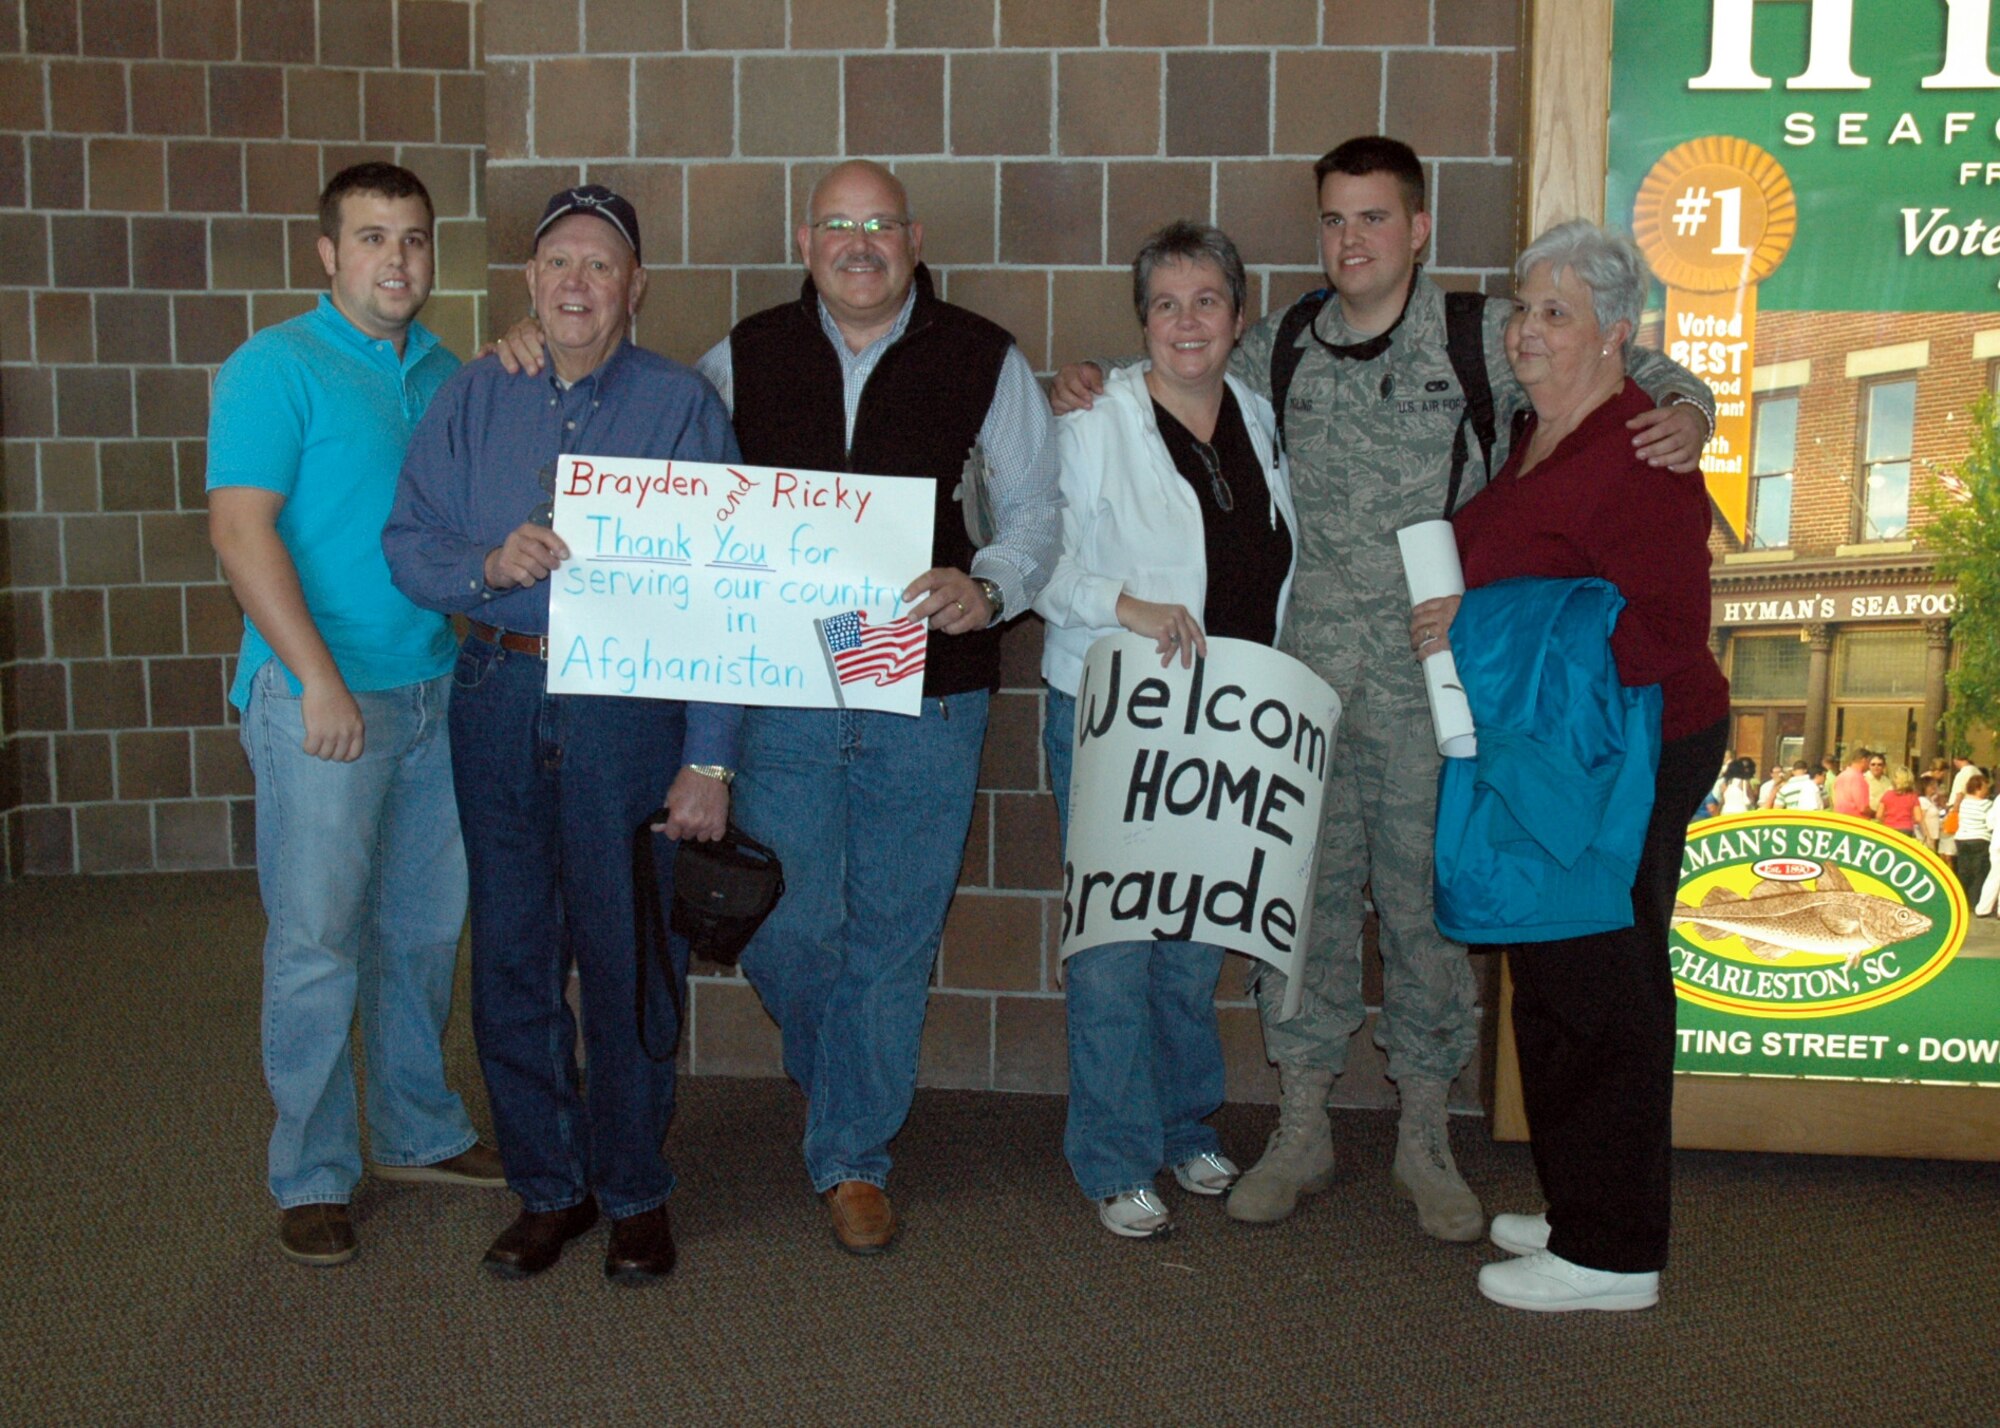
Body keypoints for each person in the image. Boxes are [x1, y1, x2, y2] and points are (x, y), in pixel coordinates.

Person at [1054, 135, 1716, 1240]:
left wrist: (1689, 411)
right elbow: (1171, 364)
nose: (1349, 240)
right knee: (1301, 915)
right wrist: (1082, 381)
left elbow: (1616, 362)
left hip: (1431, 687)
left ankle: (1424, 1139)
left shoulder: (1478, 340)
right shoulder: (1277, 346)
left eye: (1372, 218)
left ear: (1415, 228)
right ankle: (1301, 1125)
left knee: (1423, 914)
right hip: (1298, 695)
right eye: (1331, 220)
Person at [384, 184, 740, 1286]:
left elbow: (729, 592)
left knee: (628, 951)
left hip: (628, 711)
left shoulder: (681, 406)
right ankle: (549, 1186)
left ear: (633, 287)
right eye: (556, 265)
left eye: (599, 264)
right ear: (529, 285)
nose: (576, 283)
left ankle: (634, 1189)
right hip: (498, 692)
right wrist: (484, 568)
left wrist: (710, 752)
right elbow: (408, 542)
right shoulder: (470, 400)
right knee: (514, 952)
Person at [702, 160, 1059, 1253]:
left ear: (912, 239)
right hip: (787, 686)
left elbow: (1037, 513)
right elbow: (680, 491)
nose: (859, 243)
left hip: (927, 687)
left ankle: (852, 1153)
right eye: (837, 225)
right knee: (789, 920)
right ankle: (845, 1075)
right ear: (803, 240)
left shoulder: (982, 355)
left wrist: (989, 587)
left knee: (895, 935)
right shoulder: (739, 356)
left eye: (880, 225)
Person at [1409, 219, 1728, 1311]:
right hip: (1560, 751)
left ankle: (1612, 1256)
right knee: (1553, 977)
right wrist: (1467, 614)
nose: (1527, 332)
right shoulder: (1537, 429)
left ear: (1614, 336)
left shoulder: (1637, 447)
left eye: (1555, 312)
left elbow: (1661, 632)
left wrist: (1482, 632)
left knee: (1601, 992)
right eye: (1521, 308)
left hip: (1624, 752)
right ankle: (1585, 1204)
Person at [208, 162, 505, 1268]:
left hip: (437, 690)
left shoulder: (445, 370)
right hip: (318, 700)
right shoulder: (273, 367)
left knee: (425, 930)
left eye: (415, 240)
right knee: (319, 939)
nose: (397, 260)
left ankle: (420, 1130)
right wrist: (316, 679)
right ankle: (314, 1169)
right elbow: (242, 535)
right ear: (328, 253)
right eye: (373, 238)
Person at [1036, 222, 1298, 1238]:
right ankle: (1111, 1156)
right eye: (1163, 304)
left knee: (1193, 945)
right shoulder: (1094, 420)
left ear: (1238, 317)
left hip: (1228, 720)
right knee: (1113, 946)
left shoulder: (1262, 418)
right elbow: (1037, 564)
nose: (1185, 321)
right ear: (1141, 321)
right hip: (1115, 715)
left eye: (1205, 301)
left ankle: (1185, 1126)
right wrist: (1124, 605)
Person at [1952, 775, 1993, 902]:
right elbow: (1990, 822)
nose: (1987, 789)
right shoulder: (1987, 804)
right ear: (1978, 788)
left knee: (1964, 870)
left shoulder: (1963, 803)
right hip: (1980, 838)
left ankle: (1961, 899)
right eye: (1985, 786)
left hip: (1962, 838)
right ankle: (1974, 900)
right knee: (1979, 872)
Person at [1878, 767, 1920, 839]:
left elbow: (1879, 815)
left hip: (1888, 828)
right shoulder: (1913, 796)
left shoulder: (1887, 795)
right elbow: (1918, 818)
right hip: (1906, 829)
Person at [1832, 750, 1873, 818]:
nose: (1869, 766)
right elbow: (1863, 808)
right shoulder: (1858, 779)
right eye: (1869, 762)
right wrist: (1876, 813)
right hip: (1856, 822)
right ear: (1864, 760)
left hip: (1840, 819)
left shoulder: (1840, 776)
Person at [1864, 752, 1892, 819]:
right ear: (1869, 765)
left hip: (1883, 818)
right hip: (1867, 817)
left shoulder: (1887, 781)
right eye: (1873, 764)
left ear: (1884, 766)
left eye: (1879, 765)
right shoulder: (1863, 779)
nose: (1876, 767)